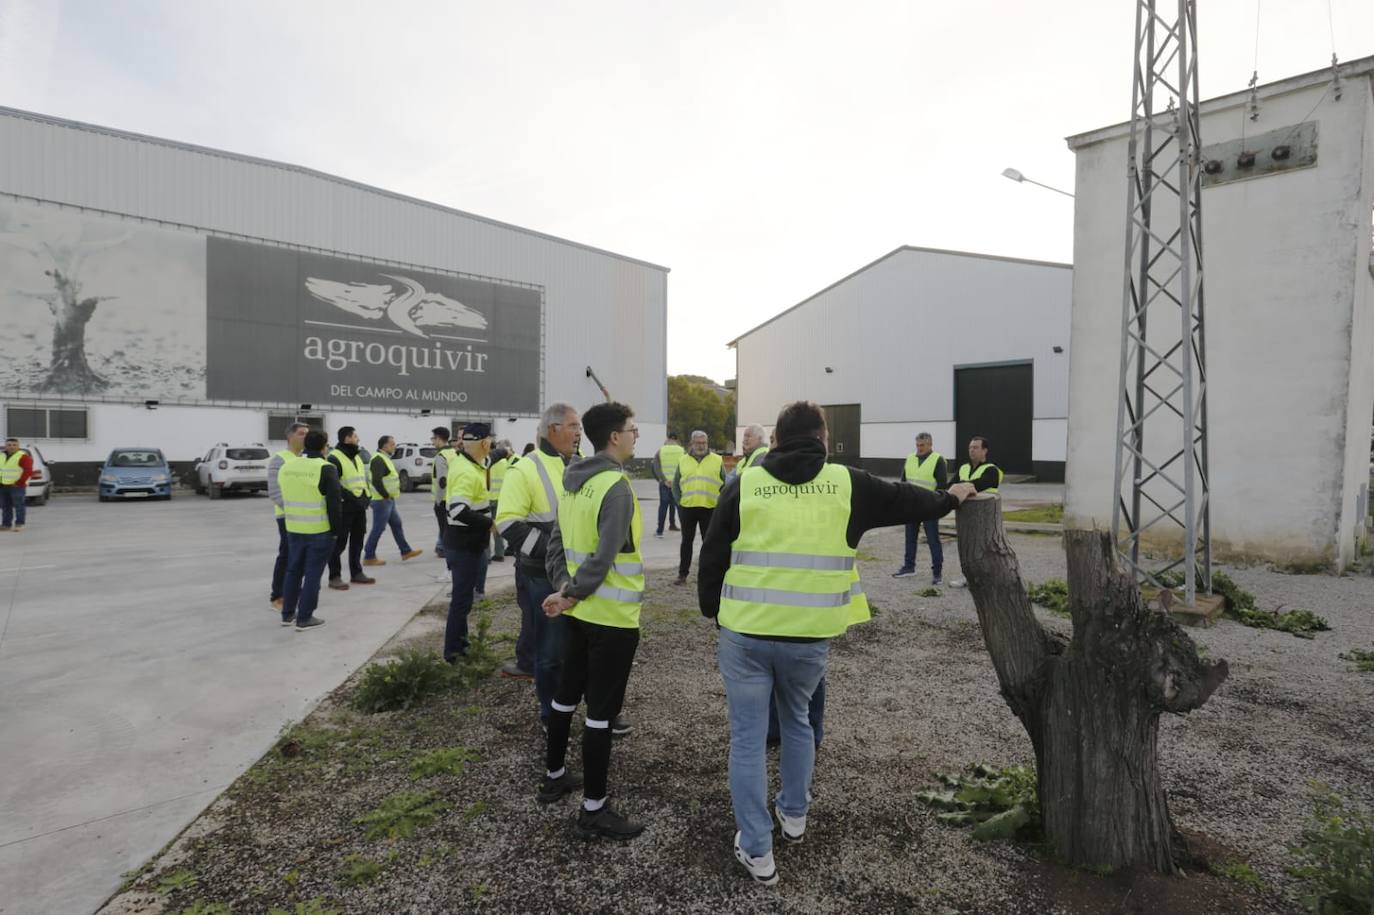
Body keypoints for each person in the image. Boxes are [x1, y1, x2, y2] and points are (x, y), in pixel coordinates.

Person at [698, 400, 975, 884]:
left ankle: (758, 850)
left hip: (745, 633)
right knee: (799, 722)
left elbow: (714, 552)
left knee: (746, 739)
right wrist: (950, 497)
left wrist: (710, 609)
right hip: (808, 637)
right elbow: (908, 499)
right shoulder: (848, 484)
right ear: (823, 438)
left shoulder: (746, 483)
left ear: (777, 441)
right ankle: (795, 815)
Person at [538, 401, 646, 840]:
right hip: (611, 618)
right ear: (615, 437)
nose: (636, 435)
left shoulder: (572, 483)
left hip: (577, 614)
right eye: (632, 429)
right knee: (601, 714)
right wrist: (572, 594)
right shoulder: (615, 487)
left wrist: (564, 592)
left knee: (566, 697)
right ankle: (594, 810)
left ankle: (555, 776)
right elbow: (603, 559)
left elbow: (556, 547)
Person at [496, 404, 629, 735]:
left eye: (580, 427)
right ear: (551, 429)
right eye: (572, 426)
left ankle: (598, 714)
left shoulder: (582, 463)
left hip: (582, 579)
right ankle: (550, 717)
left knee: (586, 651)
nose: (578, 432)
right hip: (543, 576)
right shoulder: (525, 469)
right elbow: (508, 523)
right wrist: (552, 554)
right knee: (552, 654)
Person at [279, 430, 344, 631]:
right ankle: (305, 617)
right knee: (313, 574)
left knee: (293, 571)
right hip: (319, 530)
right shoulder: (326, 468)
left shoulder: (287, 467)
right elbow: (334, 505)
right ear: (324, 446)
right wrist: (336, 531)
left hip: (293, 528)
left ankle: (288, 613)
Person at [443, 422, 494, 663]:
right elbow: (457, 510)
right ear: (484, 443)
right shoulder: (465, 470)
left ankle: (461, 644)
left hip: (469, 545)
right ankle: (454, 652)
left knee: (464, 600)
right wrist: (489, 524)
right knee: (461, 602)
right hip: (463, 546)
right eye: (490, 441)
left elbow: (493, 457)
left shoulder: (473, 462)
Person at [892, 432, 948, 583]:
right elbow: (903, 482)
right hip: (911, 506)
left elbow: (942, 486)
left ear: (930, 444)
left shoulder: (938, 460)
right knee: (910, 538)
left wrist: (938, 505)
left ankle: (937, 572)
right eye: (917, 445)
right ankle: (909, 567)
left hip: (930, 507)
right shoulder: (910, 459)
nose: (919, 448)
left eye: (922, 445)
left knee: (933, 540)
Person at [672, 430, 724, 585]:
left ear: (707, 443)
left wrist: (721, 503)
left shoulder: (717, 460)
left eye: (704, 443)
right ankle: (682, 575)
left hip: (710, 507)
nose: (701, 446)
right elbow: (675, 484)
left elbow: (725, 483)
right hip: (687, 508)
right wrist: (679, 502)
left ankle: (708, 575)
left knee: (708, 544)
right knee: (686, 542)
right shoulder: (682, 460)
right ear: (692, 444)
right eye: (698, 443)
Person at [326, 427, 375, 590]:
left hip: (360, 506)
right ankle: (334, 576)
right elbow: (334, 485)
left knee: (357, 541)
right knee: (339, 544)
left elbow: (363, 479)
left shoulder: (357, 457)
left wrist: (366, 497)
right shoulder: (334, 458)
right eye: (355, 436)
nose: (358, 439)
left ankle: (356, 573)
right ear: (347, 439)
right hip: (344, 507)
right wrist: (351, 498)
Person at [267, 422, 309, 610]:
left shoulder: (304, 458)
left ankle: (293, 590)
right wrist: (293, 510)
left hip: (304, 518)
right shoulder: (279, 459)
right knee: (286, 554)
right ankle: (278, 595)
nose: (305, 437)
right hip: (287, 517)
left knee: (300, 556)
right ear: (290, 437)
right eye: (301, 434)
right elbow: (275, 492)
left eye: (307, 434)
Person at [363, 435, 423, 566]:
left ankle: (405, 551)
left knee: (396, 524)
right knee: (378, 528)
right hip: (382, 500)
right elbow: (376, 480)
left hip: (388, 500)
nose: (394, 446)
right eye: (392, 444)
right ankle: (369, 556)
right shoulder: (378, 459)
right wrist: (385, 495)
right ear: (384, 446)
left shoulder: (385, 458)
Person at [430, 426, 459, 559]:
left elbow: (442, 481)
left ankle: (446, 551)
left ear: (439, 438)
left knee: (444, 529)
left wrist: (439, 500)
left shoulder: (441, 456)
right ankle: (444, 548)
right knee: (451, 528)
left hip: (444, 500)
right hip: (454, 497)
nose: (432, 441)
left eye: (433, 438)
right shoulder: (454, 453)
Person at [486, 440, 517, 563]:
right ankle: (499, 553)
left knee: (486, 528)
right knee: (498, 527)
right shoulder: (505, 462)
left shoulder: (486, 462)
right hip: (501, 499)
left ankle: (487, 556)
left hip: (488, 499)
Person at [651, 432, 684, 538]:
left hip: (665, 484)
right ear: (677, 440)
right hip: (678, 483)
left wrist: (663, 480)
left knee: (663, 507)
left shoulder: (661, 450)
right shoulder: (681, 451)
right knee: (679, 506)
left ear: (667, 439)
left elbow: (656, 467)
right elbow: (685, 466)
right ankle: (685, 530)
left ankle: (660, 531)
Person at [0, 437, 33, 532]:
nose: (11, 447)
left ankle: (19, 524)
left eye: (14, 445)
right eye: (9, 445)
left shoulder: (23, 457)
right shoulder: (1, 456)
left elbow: (28, 471)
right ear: (5, 446)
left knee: (19, 505)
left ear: (18, 446)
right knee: (5, 506)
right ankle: (6, 525)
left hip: (17, 486)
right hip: (2, 486)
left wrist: (19, 483)